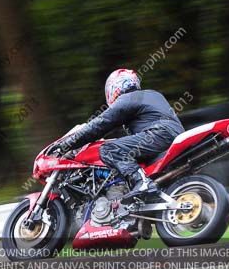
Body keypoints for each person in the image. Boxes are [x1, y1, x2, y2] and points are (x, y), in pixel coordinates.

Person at [46, 69, 185, 200]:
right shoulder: (149, 96)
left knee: (109, 149)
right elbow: (110, 127)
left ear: (115, 87)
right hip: (169, 136)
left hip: (159, 135)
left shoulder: (129, 98)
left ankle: (142, 183)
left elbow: (100, 124)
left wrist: (65, 144)